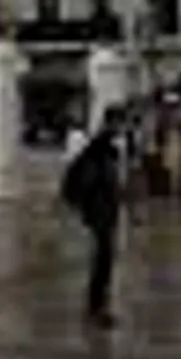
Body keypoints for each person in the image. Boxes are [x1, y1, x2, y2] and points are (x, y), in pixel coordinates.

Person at [62, 104, 125, 328]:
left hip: (106, 210)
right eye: (120, 123)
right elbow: (91, 180)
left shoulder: (106, 146)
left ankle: (98, 306)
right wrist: (89, 208)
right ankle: (96, 308)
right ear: (111, 122)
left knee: (105, 259)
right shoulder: (99, 147)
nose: (122, 128)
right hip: (101, 211)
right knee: (103, 260)